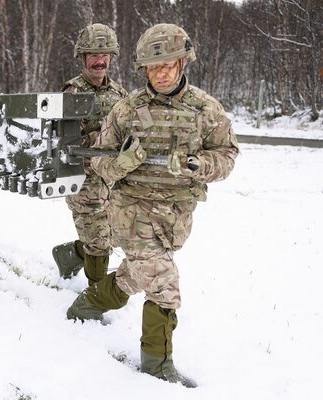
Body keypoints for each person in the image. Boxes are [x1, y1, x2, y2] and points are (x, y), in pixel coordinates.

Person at [66, 23, 239, 386]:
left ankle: (89, 303)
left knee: (134, 275)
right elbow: (98, 160)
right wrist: (122, 163)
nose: (161, 73)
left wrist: (199, 165)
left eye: (168, 65)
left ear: (182, 63)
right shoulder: (127, 109)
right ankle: (157, 365)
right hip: (130, 210)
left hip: (177, 215)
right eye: (153, 66)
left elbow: (226, 155)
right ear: (144, 68)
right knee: (163, 284)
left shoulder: (205, 109)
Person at [52, 23, 127, 286]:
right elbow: (63, 138)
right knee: (99, 241)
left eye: (105, 54)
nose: (100, 60)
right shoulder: (72, 92)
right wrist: (102, 140)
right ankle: (96, 295)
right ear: (83, 57)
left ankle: (70, 254)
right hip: (83, 178)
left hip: (113, 178)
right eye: (94, 54)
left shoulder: (119, 93)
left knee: (115, 233)